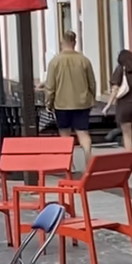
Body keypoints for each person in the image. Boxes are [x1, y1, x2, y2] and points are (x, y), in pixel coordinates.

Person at [43, 30, 97, 168]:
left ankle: (69, 162)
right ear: (75, 42)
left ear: (62, 43)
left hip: (62, 103)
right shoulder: (84, 60)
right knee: (83, 132)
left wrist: (49, 102)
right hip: (82, 102)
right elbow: (92, 82)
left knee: (65, 133)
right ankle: (87, 154)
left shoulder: (55, 62)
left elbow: (50, 86)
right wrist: (92, 98)